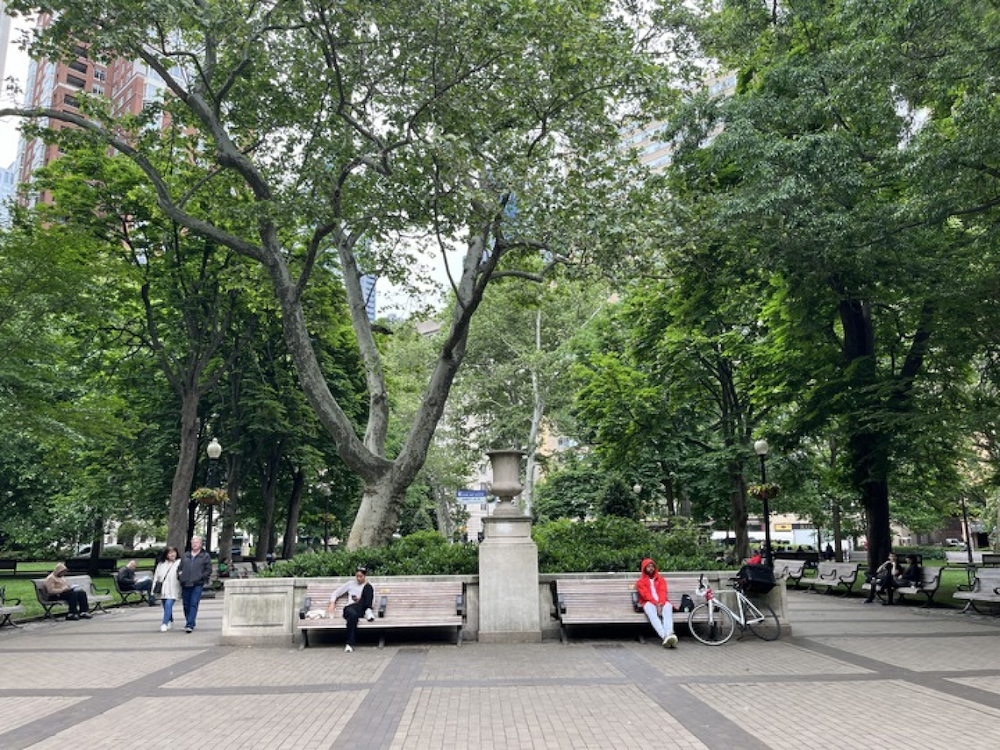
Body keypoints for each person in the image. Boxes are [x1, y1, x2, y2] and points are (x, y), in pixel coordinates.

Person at [326, 565, 375, 653]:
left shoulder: (368, 587)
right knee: (353, 616)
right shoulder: (350, 584)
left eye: (361, 577)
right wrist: (332, 603)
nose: (358, 578)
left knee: (368, 588)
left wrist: (360, 600)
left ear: (365, 576)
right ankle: (349, 644)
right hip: (350, 608)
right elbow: (335, 593)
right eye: (357, 576)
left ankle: (368, 611)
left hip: (361, 608)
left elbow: (372, 601)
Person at [635, 558, 677, 649]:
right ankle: (664, 636)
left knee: (668, 607)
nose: (650, 568)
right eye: (648, 567)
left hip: (662, 602)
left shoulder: (661, 580)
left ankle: (669, 633)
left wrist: (661, 603)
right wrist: (656, 604)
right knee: (651, 612)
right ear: (644, 568)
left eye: (652, 566)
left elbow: (663, 592)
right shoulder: (640, 582)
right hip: (648, 602)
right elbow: (645, 595)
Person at [178, 536, 212, 633]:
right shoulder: (186, 555)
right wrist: (180, 575)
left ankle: (190, 624)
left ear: (200, 544)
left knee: (194, 603)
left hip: (197, 583)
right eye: (193, 542)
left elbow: (208, 569)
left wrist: (201, 577)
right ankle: (190, 620)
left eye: (197, 542)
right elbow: (180, 568)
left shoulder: (205, 556)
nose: (195, 544)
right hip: (185, 583)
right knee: (186, 604)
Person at [152, 547, 182, 632]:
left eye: (174, 552)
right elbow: (156, 577)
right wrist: (153, 590)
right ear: (166, 555)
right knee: (166, 606)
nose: (172, 554)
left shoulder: (179, 563)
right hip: (163, 589)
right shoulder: (161, 564)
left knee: (169, 604)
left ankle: (164, 623)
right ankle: (170, 620)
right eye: (170, 553)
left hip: (173, 588)